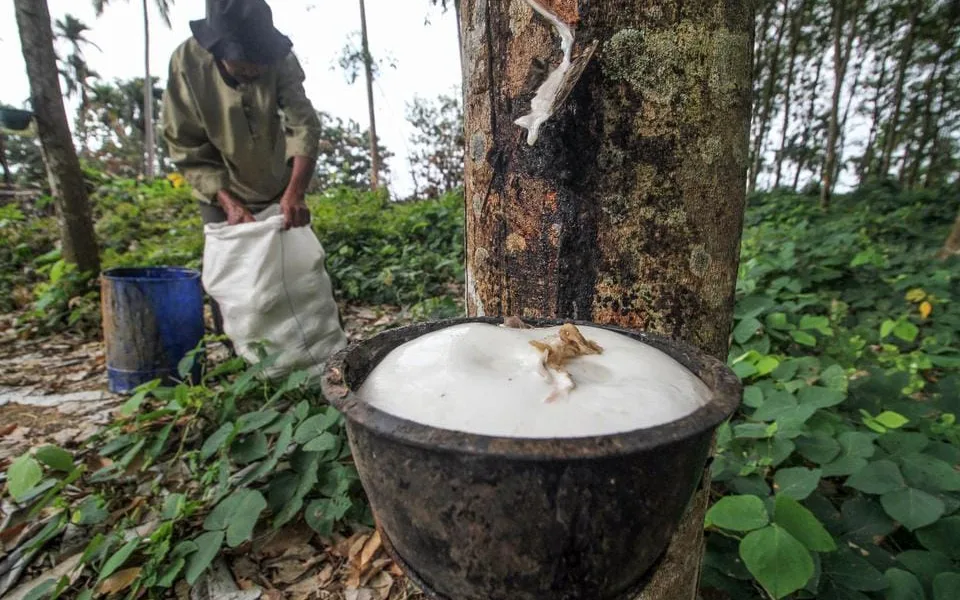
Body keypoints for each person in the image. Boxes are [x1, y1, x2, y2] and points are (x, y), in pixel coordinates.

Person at [162, 0, 322, 334]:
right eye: (243, 64)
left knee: (295, 278)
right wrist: (228, 203)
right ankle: (241, 360)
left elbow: (303, 124)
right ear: (217, 51)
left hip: (278, 183)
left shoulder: (279, 59)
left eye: (259, 62)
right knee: (234, 285)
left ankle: (311, 350)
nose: (253, 70)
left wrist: (295, 192)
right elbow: (187, 145)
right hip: (221, 190)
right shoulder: (186, 65)